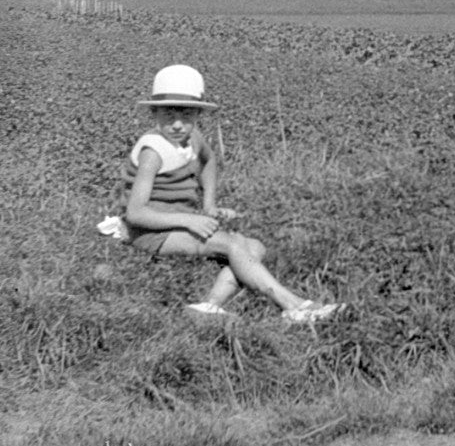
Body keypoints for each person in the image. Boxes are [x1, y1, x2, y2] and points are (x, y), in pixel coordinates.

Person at [116, 63, 338, 326]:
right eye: (168, 115)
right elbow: (136, 212)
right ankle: (295, 306)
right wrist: (188, 220)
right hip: (150, 232)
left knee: (255, 247)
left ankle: (209, 306)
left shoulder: (192, 137)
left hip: (176, 220)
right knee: (232, 244)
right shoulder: (152, 152)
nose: (177, 124)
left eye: (187, 116)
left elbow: (208, 161)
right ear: (154, 112)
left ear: (198, 115)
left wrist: (209, 205)